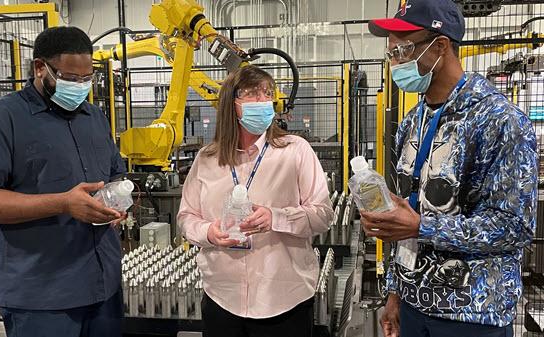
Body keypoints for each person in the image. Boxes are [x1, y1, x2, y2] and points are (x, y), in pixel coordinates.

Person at [361, 1, 538, 337]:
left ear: (440, 46)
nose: (397, 63)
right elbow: (407, 209)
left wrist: (421, 227)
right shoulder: (413, 121)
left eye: (404, 50)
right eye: (392, 54)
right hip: (414, 306)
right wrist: (396, 293)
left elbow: (514, 226)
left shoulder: (500, 121)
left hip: (471, 314)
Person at [0, 27, 126, 337]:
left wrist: (119, 200)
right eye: (70, 78)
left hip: (103, 287)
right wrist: (64, 203)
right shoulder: (2, 118)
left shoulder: (94, 117)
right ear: (41, 68)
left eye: (86, 79)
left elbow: (115, 174)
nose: (80, 87)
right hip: (42, 297)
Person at [177, 65, 334, 337]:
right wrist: (209, 233)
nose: (262, 101)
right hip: (222, 299)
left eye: (267, 94)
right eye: (251, 94)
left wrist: (276, 217)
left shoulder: (295, 152)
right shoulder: (206, 159)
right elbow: (186, 217)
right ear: (231, 104)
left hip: (284, 300)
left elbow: (322, 215)